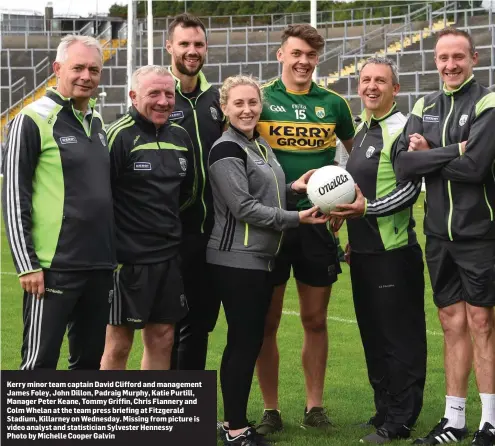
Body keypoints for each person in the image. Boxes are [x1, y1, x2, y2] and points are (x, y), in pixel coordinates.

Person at [210, 74, 330, 446]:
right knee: (244, 342)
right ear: (225, 108)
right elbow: (244, 207)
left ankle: (233, 421)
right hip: (236, 260)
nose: (247, 110)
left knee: (247, 341)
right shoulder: (226, 149)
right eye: (239, 104)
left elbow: (268, 193)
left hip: (260, 259)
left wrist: (295, 188)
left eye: (253, 103)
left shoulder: (259, 145)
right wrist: (298, 218)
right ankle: (234, 427)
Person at [395, 28, 495, 445]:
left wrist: (429, 153)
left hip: (479, 235)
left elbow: (477, 169)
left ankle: (491, 422)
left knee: (482, 322)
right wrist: (453, 150)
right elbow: (403, 163)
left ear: (474, 57)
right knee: (450, 322)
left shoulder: (489, 102)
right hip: (438, 236)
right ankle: (454, 421)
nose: (450, 65)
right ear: (435, 61)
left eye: (458, 57)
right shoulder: (423, 103)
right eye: (442, 58)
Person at [255, 24, 355, 433]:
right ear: (280, 54)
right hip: (272, 224)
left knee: (315, 319)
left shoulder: (333, 104)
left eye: (311, 56)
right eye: (296, 53)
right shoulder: (259, 100)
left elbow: (362, 153)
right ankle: (271, 410)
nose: (303, 62)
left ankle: (315, 407)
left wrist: (346, 196)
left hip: (317, 225)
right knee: (267, 322)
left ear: (318, 59)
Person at [1, 35, 115, 370]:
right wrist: (27, 264)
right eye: (77, 67)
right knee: (39, 362)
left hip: (99, 265)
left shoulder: (96, 122)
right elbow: (13, 195)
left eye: (94, 69)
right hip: (53, 267)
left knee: (88, 362)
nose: (86, 76)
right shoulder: (31, 118)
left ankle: (74, 424)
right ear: (57, 69)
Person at [330, 57, 426, 444]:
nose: (371, 86)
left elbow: (409, 189)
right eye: (366, 80)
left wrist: (365, 210)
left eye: (380, 81)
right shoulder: (361, 129)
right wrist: (350, 223)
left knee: (398, 338)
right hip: (365, 251)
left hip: (394, 253)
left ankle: (402, 418)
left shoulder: (402, 129)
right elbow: (358, 189)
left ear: (395, 89)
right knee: (372, 335)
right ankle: (384, 409)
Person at [100, 66, 196, 370]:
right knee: (118, 344)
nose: (164, 101)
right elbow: (101, 199)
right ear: (133, 96)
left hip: (168, 257)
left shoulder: (181, 137)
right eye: (154, 93)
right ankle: (108, 416)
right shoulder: (117, 136)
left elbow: (188, 192)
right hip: (127, 261)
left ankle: (147, 414)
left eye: (169, 93)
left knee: (163, 337)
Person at [165, 13, 225, 371]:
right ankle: (165, 416)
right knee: (166, 328)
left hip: (213, 235)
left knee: (200, 325)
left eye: (198, 44)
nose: (192, 51)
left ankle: (188, 415)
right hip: (170, 236)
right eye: (184, 44)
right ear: (169, 46)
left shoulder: (218, 100)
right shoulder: (157, 94)